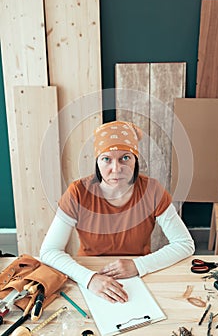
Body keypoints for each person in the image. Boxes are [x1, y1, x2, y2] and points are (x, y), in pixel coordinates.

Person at [40, 120, 195, 303]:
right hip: (90, 274)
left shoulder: (152, 191)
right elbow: (49, 251)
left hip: (139, 276)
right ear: (97, 161)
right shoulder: (78, 192)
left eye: (125, 158)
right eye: (107, 159)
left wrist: (138, 265)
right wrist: (89, 279)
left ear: (135, 159)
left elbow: (184, 244)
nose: (116, 169)